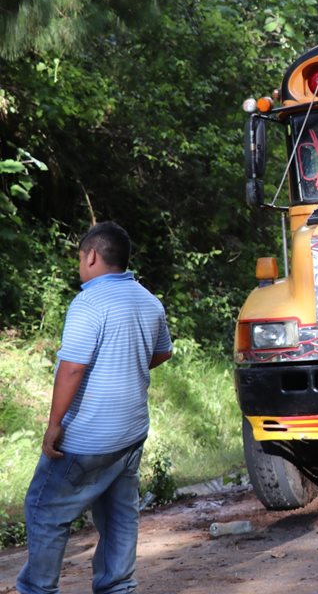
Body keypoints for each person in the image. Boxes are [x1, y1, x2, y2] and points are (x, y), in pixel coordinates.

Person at [16, 221, 173, 594]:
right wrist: (124, 364)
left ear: (91, 256)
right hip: (130, 432)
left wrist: (54, 424)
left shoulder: (89, 302)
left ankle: (38, 589)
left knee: (45, 512)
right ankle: (117, 587)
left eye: (79, 257)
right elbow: (163, 351)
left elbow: (72, 368)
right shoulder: (148, 299)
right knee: (119, 515)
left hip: (87, 437)